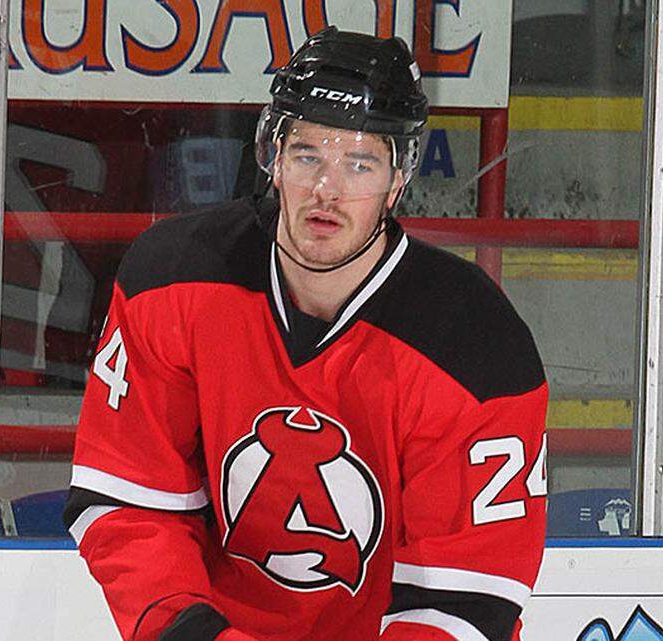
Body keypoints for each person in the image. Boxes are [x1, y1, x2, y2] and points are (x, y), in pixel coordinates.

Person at [64, 27, 548, 641]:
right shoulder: (173, 280)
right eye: (308, 155)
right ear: (272, 155)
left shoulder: (473, 344)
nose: (327, 189)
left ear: (399, 178)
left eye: (359, 162)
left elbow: (468, 593)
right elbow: (131, 506)